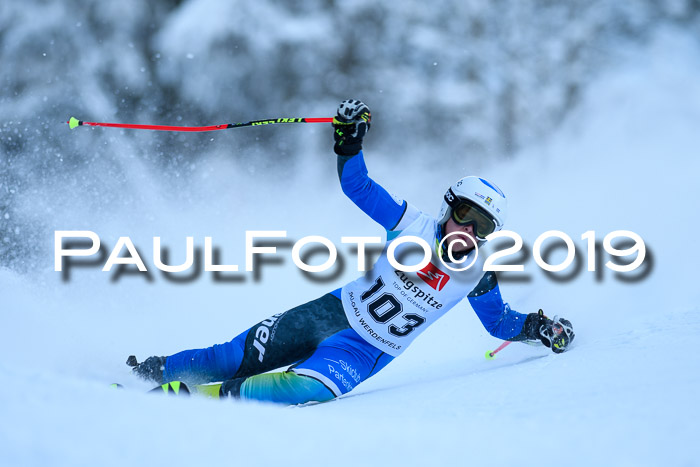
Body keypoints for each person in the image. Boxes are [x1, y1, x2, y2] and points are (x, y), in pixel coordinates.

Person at [130, 99, 575, 404]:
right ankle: (140, 376)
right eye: (464, 214)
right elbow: (356, 186)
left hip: (363, 353)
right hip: (330, 313)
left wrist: (539, 327)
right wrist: (349, 142)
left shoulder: (477, 273)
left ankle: (196, 401)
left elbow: (498, 322)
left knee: (302, 389)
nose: (468, 230)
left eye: (482, 227)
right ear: (448, 206)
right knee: (227, 357)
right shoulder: (411, 225)